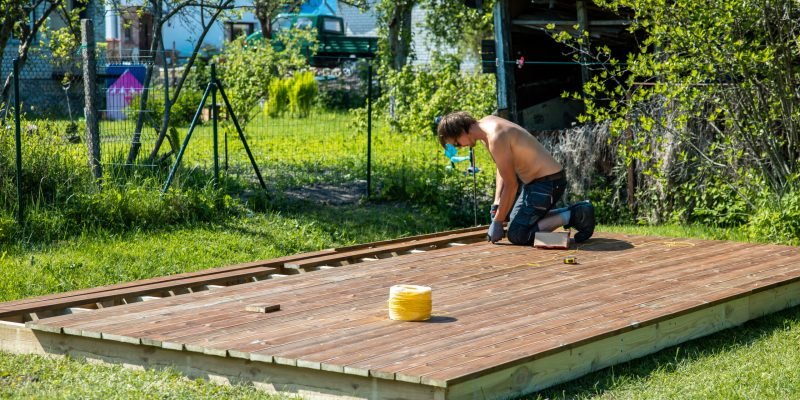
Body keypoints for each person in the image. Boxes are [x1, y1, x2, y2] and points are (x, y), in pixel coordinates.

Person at [437, 111, 595, 245]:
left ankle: (574, 215)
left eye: (457, 143)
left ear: (461, 131)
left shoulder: (495, 137)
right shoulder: (487, 126)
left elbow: (512, 185)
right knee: (515, 223)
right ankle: (578, 212)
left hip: (548, 183)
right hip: (536, 184)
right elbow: (502, 167)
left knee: (517, 235)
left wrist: (497, 221)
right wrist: (497, 201)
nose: (460, 147)